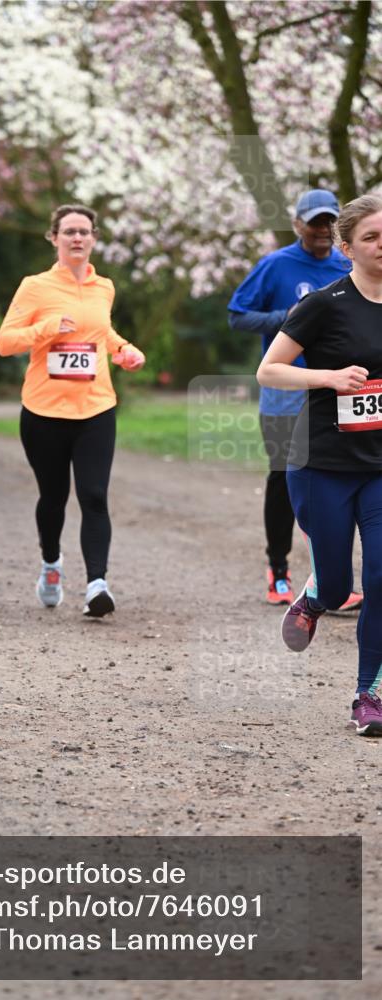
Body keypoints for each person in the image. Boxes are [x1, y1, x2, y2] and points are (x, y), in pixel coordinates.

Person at [257, 193, 382, 737]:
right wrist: (327, 378)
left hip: (380, 466)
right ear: (347, 246)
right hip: (322, 462)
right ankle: (316, 595)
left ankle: (368, 695)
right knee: (337, 586)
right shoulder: (325, 303)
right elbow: (270, 371)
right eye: (373, 237)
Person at [0, 204, 145, 617]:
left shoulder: (105, 287)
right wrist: (46, 328)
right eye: (69, 232)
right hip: (44, 411)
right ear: (54, 238)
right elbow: (5, 341)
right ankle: (50, 565)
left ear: (94, 238)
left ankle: (97, 584)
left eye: (84, 231)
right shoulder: (35, 286)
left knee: (94, 495)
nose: (77, 238)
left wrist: (123, 350)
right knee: (54, 496)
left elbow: (102, 332)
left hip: (96, 408)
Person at [229, 190, 362, 609]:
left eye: (329, 222)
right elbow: (237, 313)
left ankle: (328, 581)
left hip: (342, 395)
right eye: (314, 222)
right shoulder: (275, 265)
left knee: (338, 486)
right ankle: (279, 570)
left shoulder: (350, 265)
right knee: (286, 483)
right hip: (285, 396)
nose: (322, 230)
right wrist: (285, 318)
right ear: (298, 225)